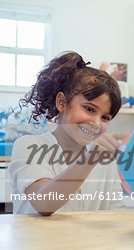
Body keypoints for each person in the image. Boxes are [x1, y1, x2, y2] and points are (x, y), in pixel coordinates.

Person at [8, 51, 126, 215]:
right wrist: (90, 159)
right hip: (35, 241)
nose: (96, 123)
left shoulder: (105, 160)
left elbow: (115, 213)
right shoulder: (28, 146)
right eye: (89, 109)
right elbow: (43, 203)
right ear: (62, 102)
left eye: (105, 117)